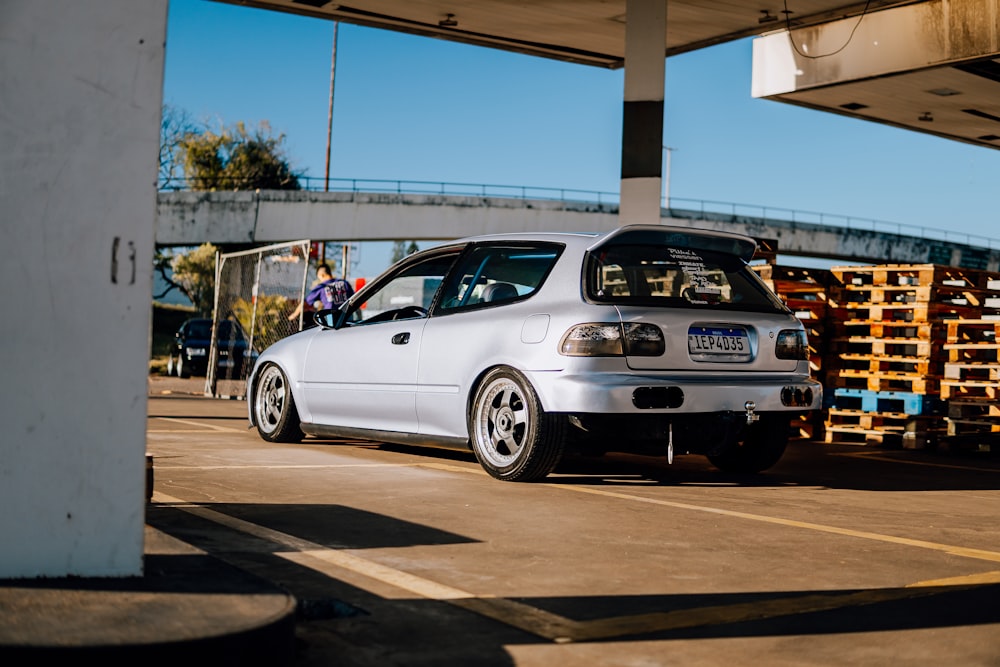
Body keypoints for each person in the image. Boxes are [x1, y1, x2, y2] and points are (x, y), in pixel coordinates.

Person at [288, 263, 355, 322]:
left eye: (319, 278)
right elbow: (353, 299)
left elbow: (305, 302)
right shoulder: (344, 283)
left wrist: (294, 315)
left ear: (322, 275)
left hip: (331, 320)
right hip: (347, 318)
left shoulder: (321, 287)